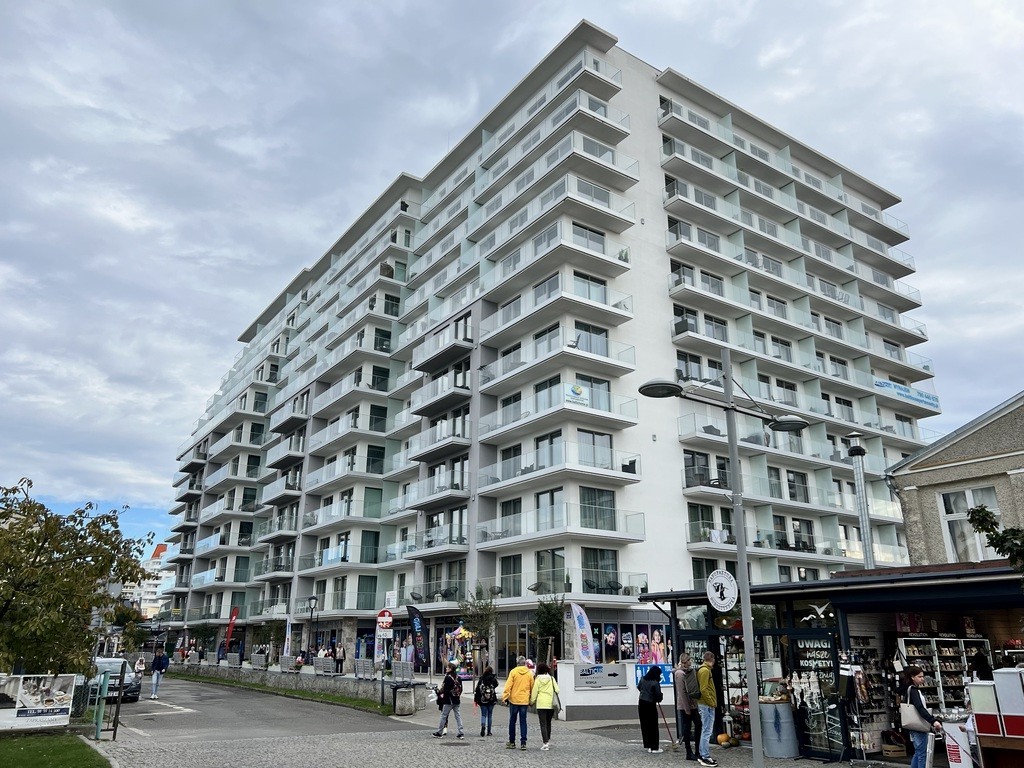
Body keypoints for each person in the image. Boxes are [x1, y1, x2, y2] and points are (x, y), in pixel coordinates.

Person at [906, 665, 943, 768]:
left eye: (923, 676)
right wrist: (933, 721)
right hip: (918, 724)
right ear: (912, 677)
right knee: (922, 753)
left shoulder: (912, 689)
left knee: (918, 752)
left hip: (915, 724)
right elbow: (920, 707)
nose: (922, 679)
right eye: (919, 676)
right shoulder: (913, 690)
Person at [674, 654, 701, 761]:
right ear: (685, 661)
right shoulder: (680, 673)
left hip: (692, 703)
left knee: (698, 724)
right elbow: (682, 692)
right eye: (689, 660)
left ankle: (697, 750)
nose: (691, 662)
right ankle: (689, 752)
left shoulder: (688, 671)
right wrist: (687, 708)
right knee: (688, 727)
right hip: (686, 705)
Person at [503, 655, 534, 750]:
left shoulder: (513, 672)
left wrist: (505, 697)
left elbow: (508, 686)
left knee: (512, 721)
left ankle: (512, 742)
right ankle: (523, 742)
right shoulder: (529, 673)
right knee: (523, 721)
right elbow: (532, 687)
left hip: (514, 700)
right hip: (524, 700)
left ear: (517, 663)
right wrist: (531, 700)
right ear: (525, 663)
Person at [695, 651, 719, 767]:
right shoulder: (705, 671)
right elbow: (704, 689)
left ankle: (703, 754)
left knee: (706, 730)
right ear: (712, 660)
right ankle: (704, 756)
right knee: (707, 731)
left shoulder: (703, 669)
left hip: (704, 704)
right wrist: (711, 702)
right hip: (706, 705)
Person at [530, 662, 560, 751]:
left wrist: (531, 702)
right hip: (550, 704)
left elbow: (534, 692)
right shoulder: (551, 678)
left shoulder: (538, 680)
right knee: (548, 723)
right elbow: (557, 690)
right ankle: (548, 740)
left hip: (541, 704)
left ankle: (545, 742)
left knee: (543, 724)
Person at [432, 662, 465, 740]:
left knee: (443, 715)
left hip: (449, 701)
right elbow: (461, 689)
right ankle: (461, 732)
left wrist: (440, 695)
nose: (446, 668)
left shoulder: (448, 678)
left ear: (450, 669)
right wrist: (457, 696)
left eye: (447, 667)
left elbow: (445, 690)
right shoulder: (458, 677)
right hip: (457, 700)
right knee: (458, 716)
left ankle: (439, 732)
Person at [638, 664, 664, 753]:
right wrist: (658, 697)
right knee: (653, 725)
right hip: (650, 704)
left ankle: (648, 745)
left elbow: (639, 687)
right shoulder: (655, 682)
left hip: (641, 703)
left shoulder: (643, 679)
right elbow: (658, 695)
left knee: (645, 725)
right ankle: (654, 747)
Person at [474, 664, 499, 737]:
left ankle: (483, 726)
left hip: (483, 700)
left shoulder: (482, 679)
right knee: (490, 715)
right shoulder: (493, 679)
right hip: (491, 699)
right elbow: (496, 684)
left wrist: (476, 699)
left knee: (483, 714)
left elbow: (477, 689)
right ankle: (489, 731)